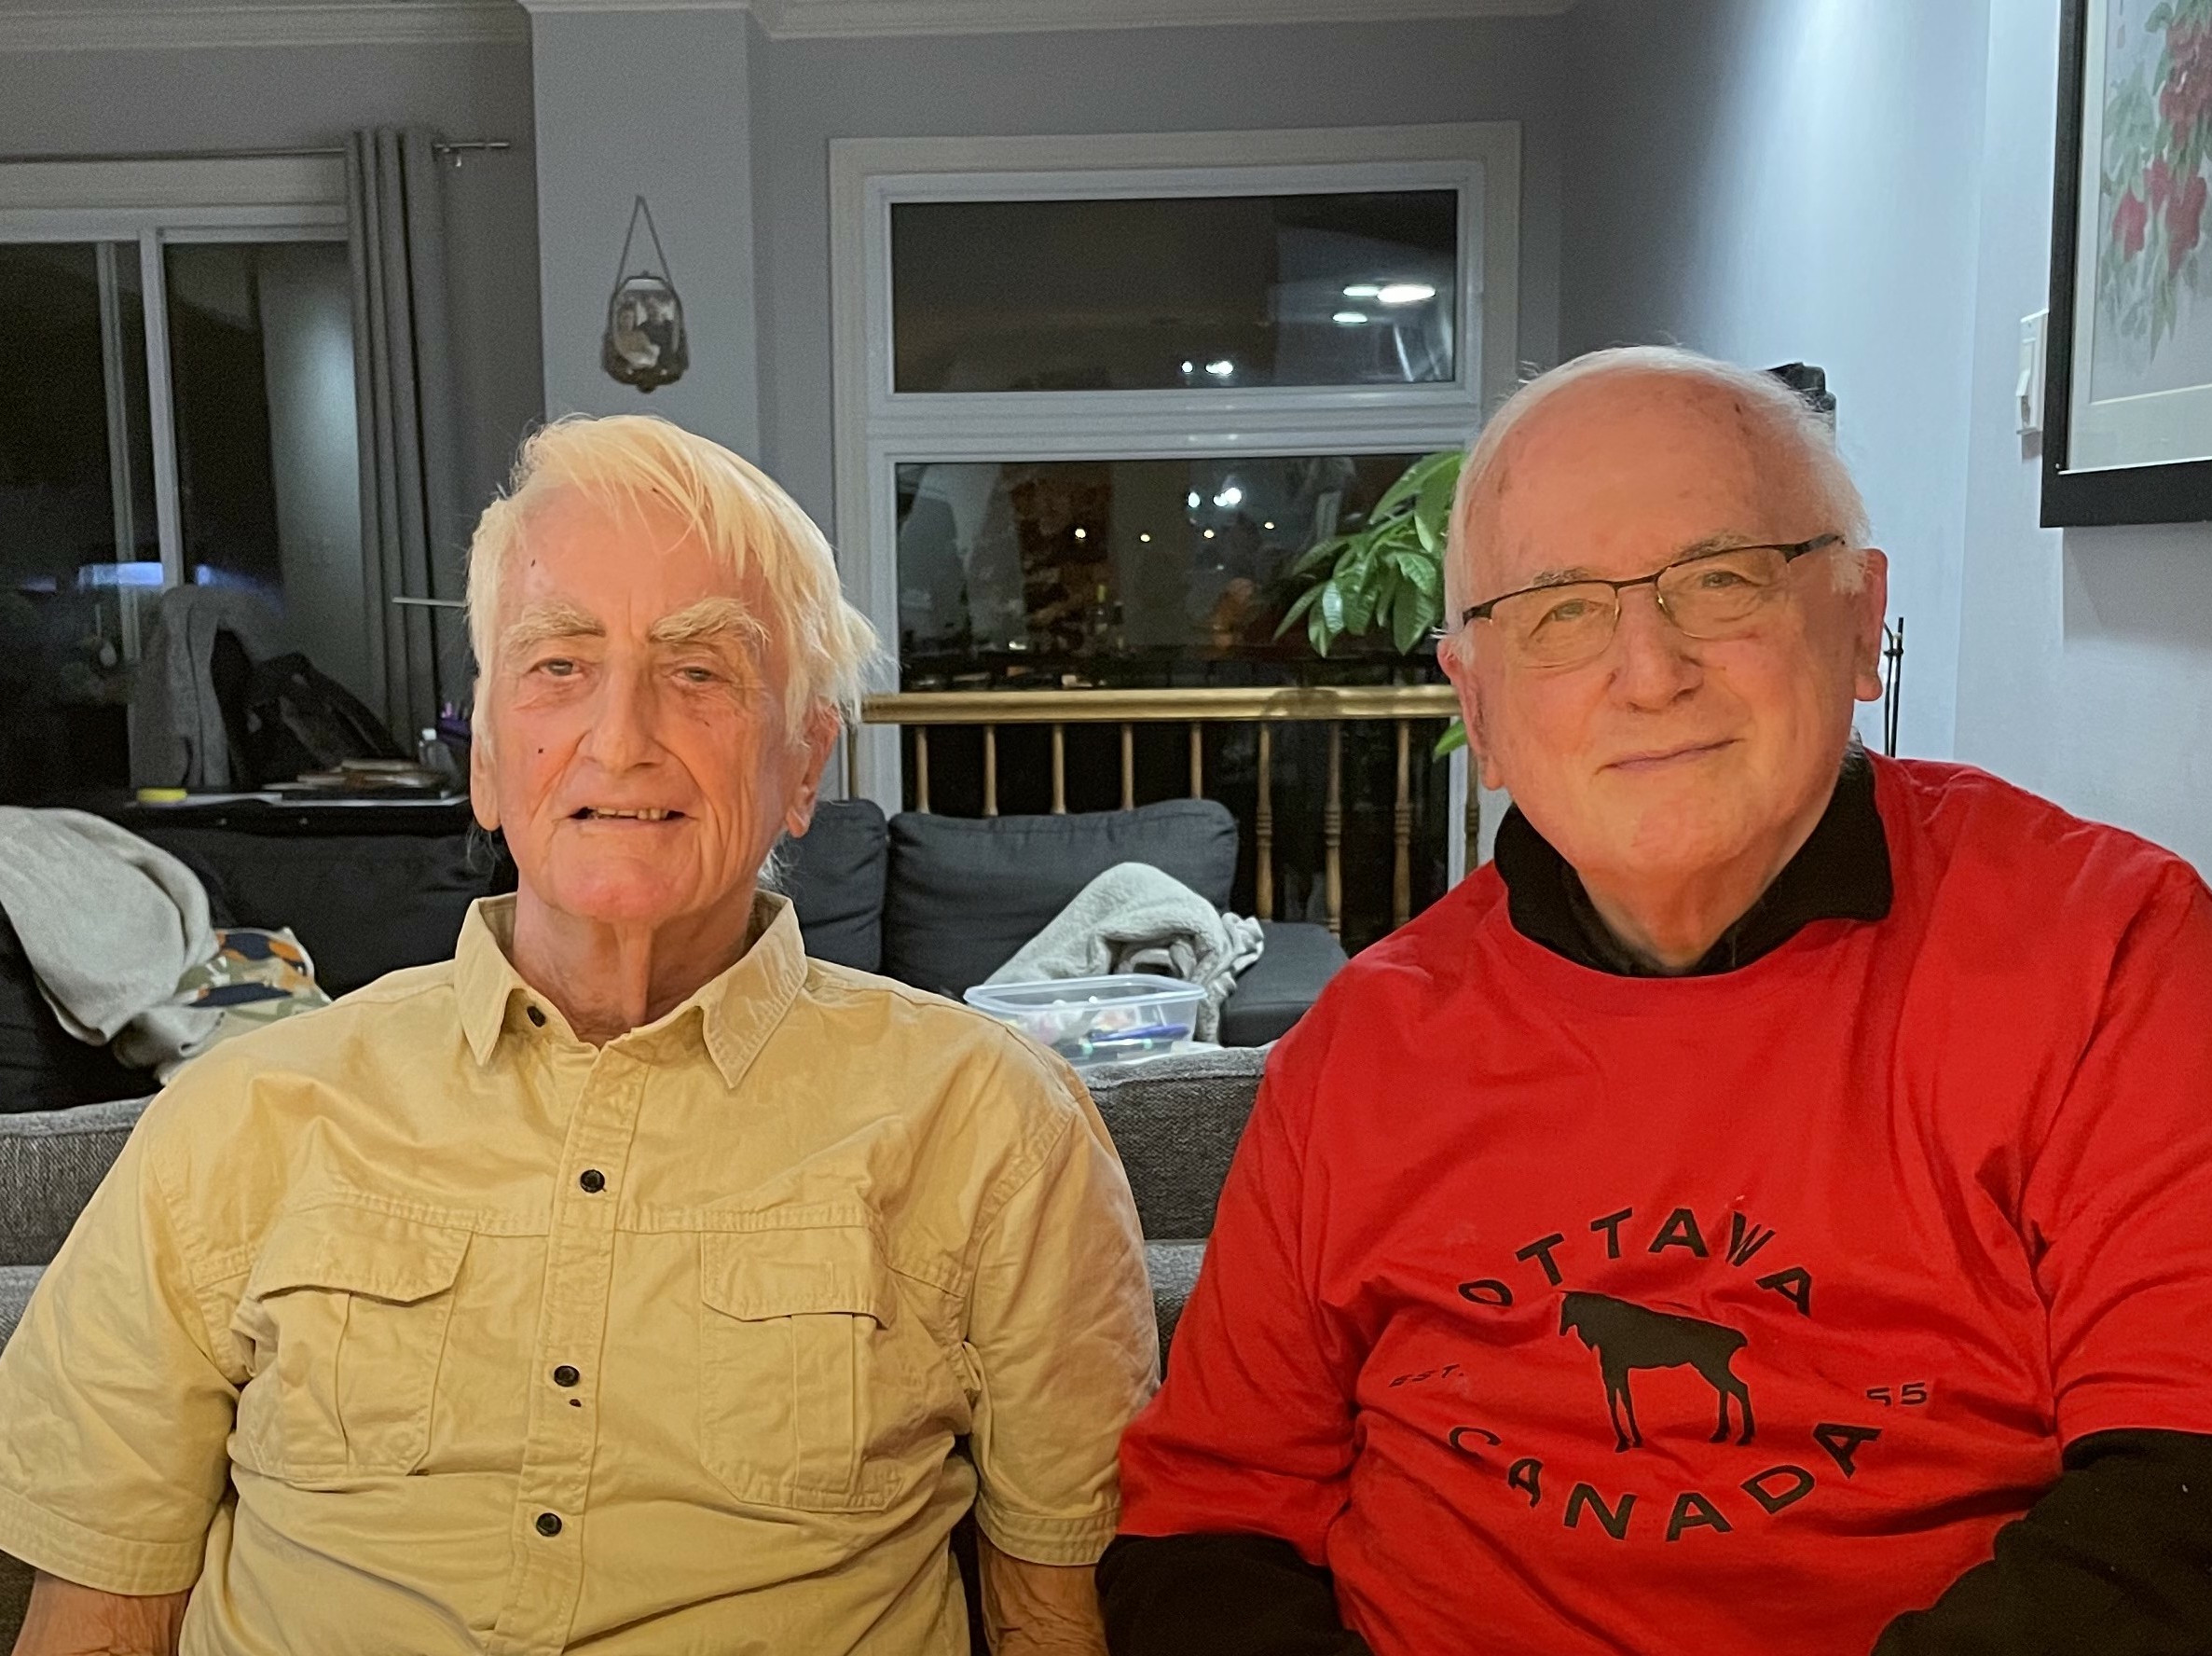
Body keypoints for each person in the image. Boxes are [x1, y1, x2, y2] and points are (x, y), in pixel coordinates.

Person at [1099, 347, 2212, 1654]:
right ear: (1479, 707)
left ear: (1860, 622)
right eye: (1559, 611)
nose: (1648, 671)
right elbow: (1209, 1519)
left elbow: (2176, 1504)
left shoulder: (2112, 952)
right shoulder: (1361, 1041)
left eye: (1721, 579)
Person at [0, 414, 1157, 1655]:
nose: (620, 738)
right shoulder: (238, 1117)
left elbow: (1053, 1618)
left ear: (803, 762)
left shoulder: (995, 1128)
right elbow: (97, 1615)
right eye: (558, 665)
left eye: (700, 670)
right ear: (489, 761)